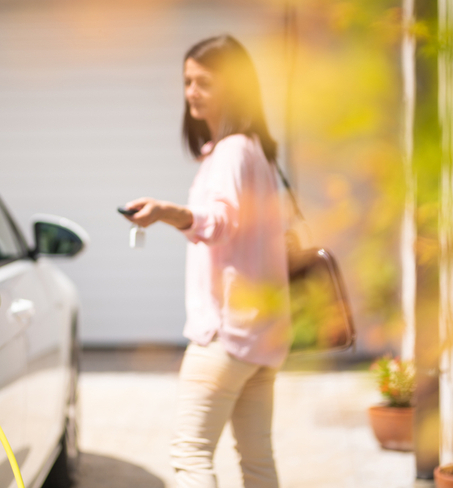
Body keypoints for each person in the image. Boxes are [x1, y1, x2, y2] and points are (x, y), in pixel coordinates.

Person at [121, 35, 290, 488]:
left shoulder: (234, 150)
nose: (191, 92)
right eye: (187, 81)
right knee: (257, 462)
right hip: (262, 334)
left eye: (204, 82)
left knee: (189, 456)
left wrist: (165, 212)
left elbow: (221, 222)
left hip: (226, 335)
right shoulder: (256, 150)